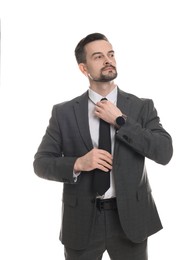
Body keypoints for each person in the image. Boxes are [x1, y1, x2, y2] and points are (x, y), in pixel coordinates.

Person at [33, 32, 173, 260]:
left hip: (131, 220)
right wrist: (78, 163)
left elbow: (164, 152)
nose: (108, 60)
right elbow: (41, 164)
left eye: (111, 54)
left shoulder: (141, 107)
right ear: (83, 68)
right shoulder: (64, 113)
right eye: (98, 56)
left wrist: (121, 121)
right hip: (81, 222)